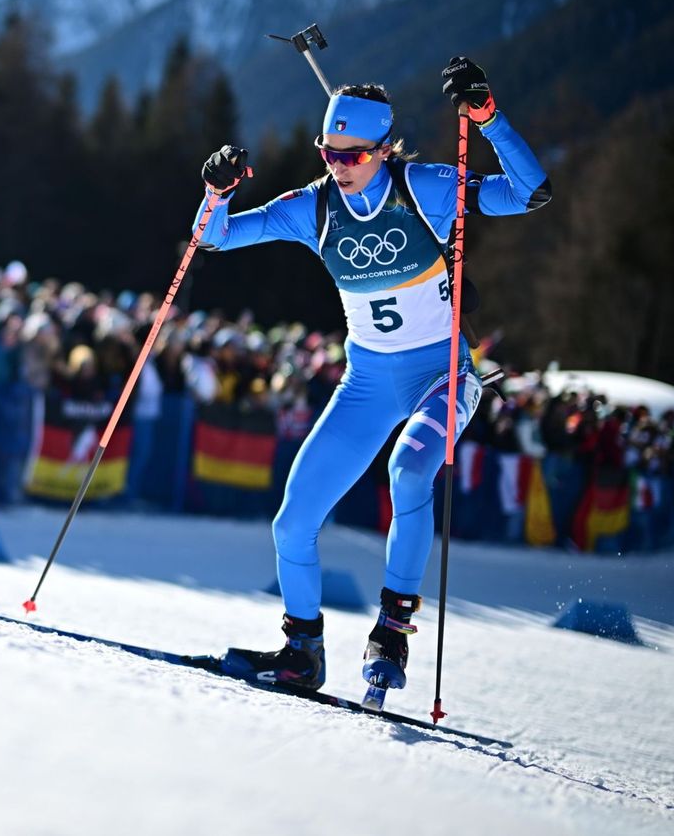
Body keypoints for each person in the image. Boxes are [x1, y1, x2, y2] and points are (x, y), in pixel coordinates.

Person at [193, 57, 551, 696]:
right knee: (292, 521)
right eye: (328, 153)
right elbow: (213, 241)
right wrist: (217, 192)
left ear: (384, 149)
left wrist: (488, 119)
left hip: (440, 377)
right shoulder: (313, 207)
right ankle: (302, 651)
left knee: (409, 469)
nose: (339, 166)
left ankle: (391, 630)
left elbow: (529, 191)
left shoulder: (427, 189)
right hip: (364, 383)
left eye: (353, 156)